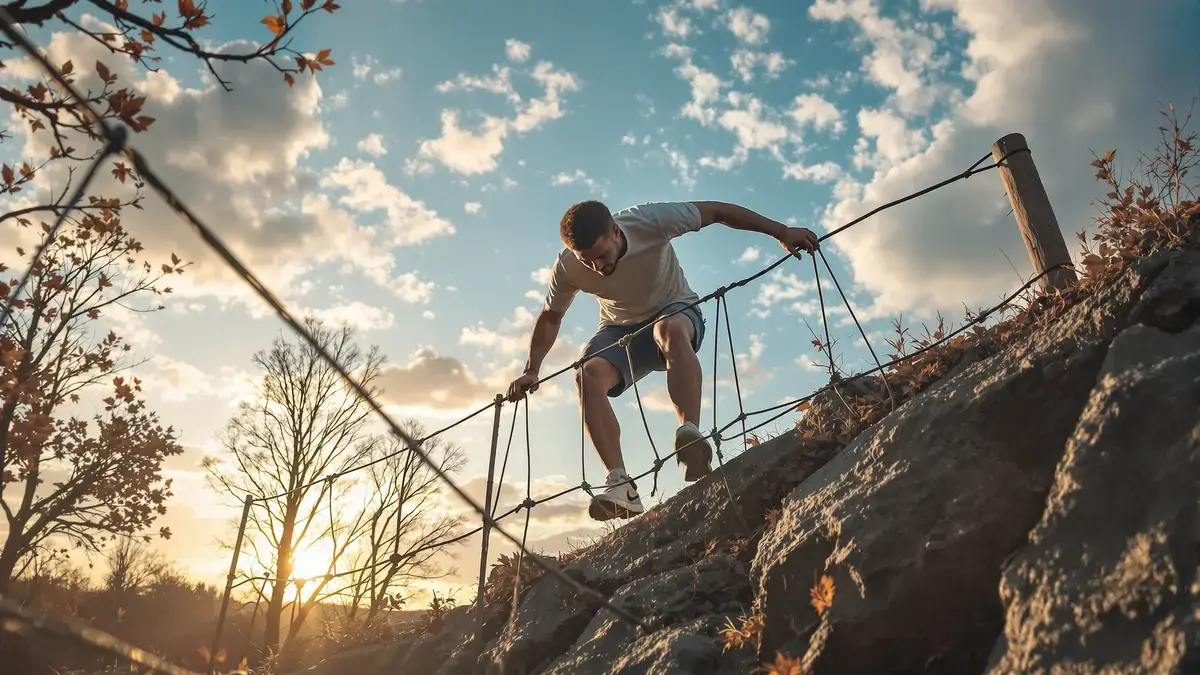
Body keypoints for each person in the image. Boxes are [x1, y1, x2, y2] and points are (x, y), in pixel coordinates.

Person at [505, 200, 819, 521]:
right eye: (588, 261)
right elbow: (550, 317)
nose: (597, 267)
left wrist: (781, 232)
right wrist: (531, 370)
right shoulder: (568, 266)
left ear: (616, 231)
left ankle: (690, 436)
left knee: (667, 328)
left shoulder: (650, 220)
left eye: (601, 255)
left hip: (675, 309)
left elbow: (718, 212)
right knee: (588, 375)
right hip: (620, 329)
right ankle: (620, 485)